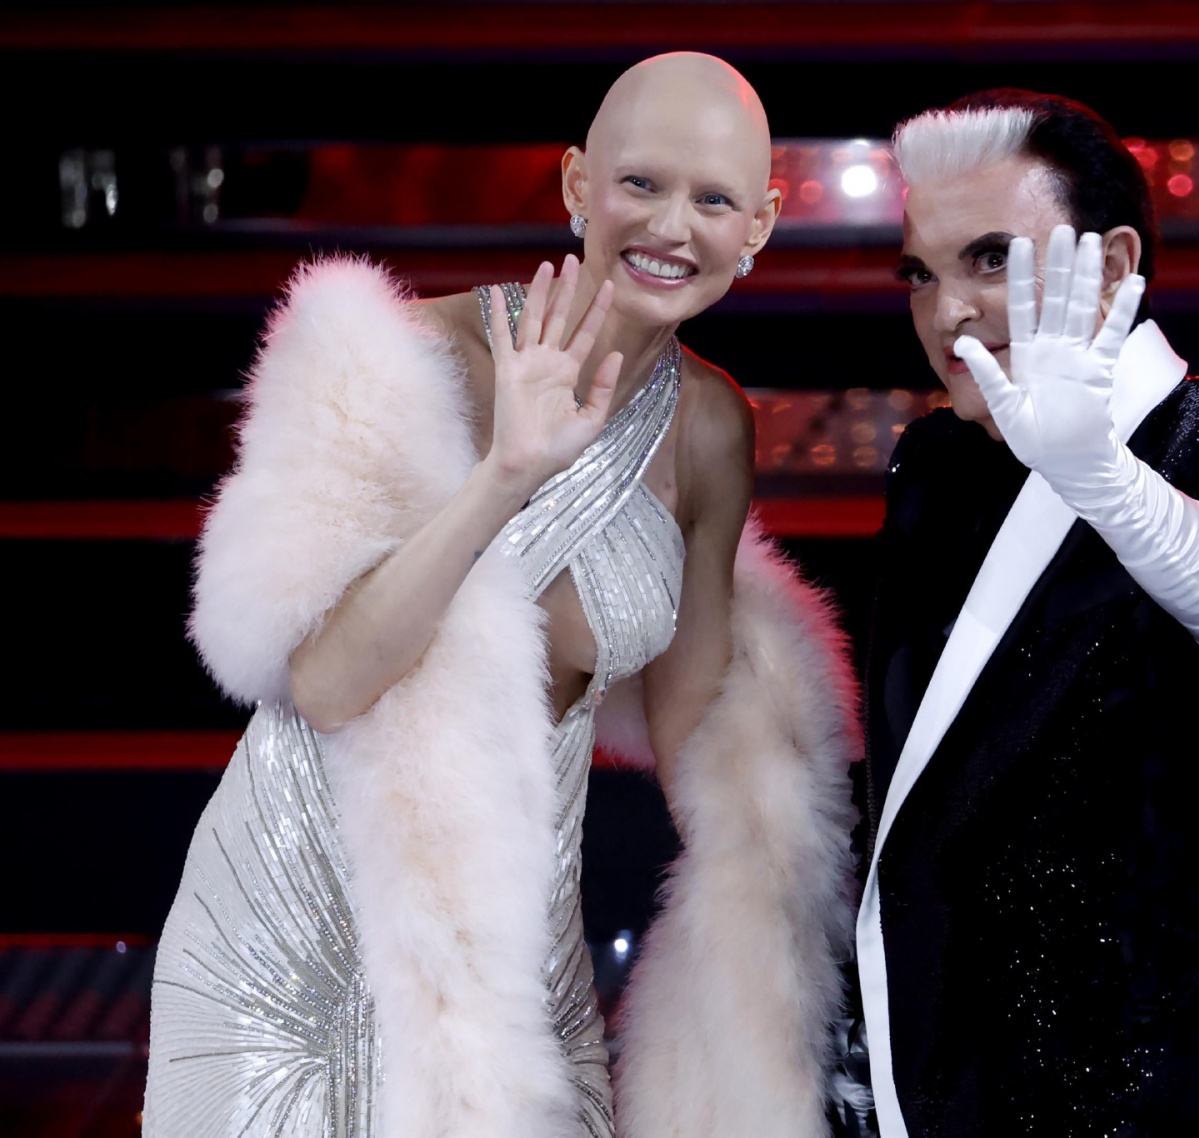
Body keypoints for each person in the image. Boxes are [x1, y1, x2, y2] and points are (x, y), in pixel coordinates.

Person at [145, 53, 859, 1138]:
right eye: (641, 184)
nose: (672, 226)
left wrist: (799, 938)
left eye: (714, 199)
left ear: (758, 225)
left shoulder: (711, 430)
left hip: (513, 950)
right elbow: (328, 683)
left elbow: (693, 726)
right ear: (578, 184)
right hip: (291, 944)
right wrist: (504, 478)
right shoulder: (402, 354)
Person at [838, 90, 1199, 1137]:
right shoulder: (938, 469)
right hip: (943, 1074)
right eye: (921, 271)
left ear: (1116, 261)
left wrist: (1103, 480)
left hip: (1167, 1089)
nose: (945, 310)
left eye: (989, 259)